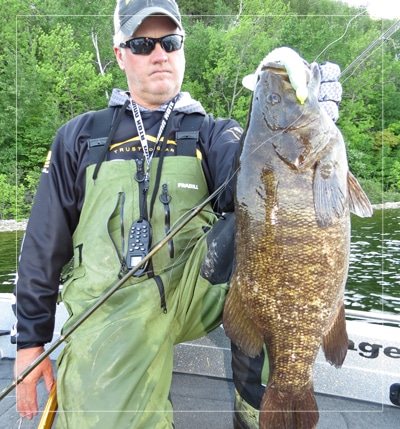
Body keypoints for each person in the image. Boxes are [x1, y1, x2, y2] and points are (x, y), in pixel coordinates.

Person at [12, 0, 341, 428]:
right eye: (143, 43)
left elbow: (256, 186)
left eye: (169, 41)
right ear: (120, 54)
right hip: (113, 301)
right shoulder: (79, 136)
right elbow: (42, 241)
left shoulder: (214, 132)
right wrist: (30, 340)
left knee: (275, 282)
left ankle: (266, 415)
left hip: (199, 283)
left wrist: (304, 121)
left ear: (182, 47)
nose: (158, 53)